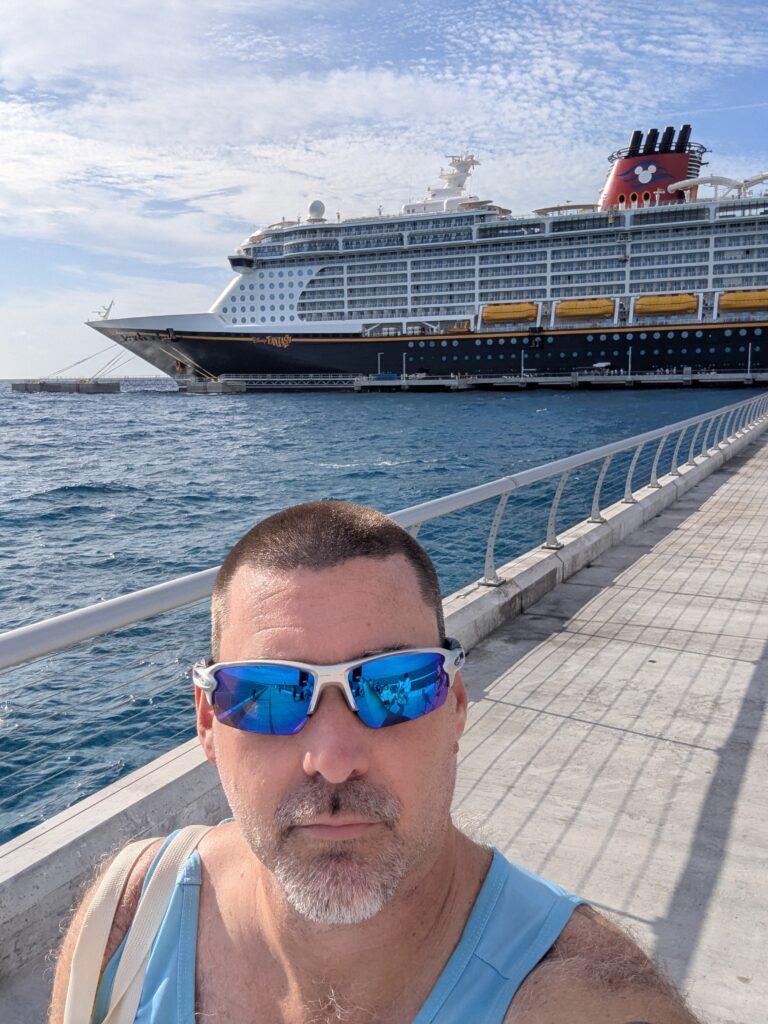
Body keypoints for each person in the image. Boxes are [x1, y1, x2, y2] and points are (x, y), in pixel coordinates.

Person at [50, 501, 702, 1023]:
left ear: (455, 708)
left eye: (396, 687)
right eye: (269, 695)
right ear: (207, 722)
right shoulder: (126, 920)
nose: (333, 761)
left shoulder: (587, 1001)